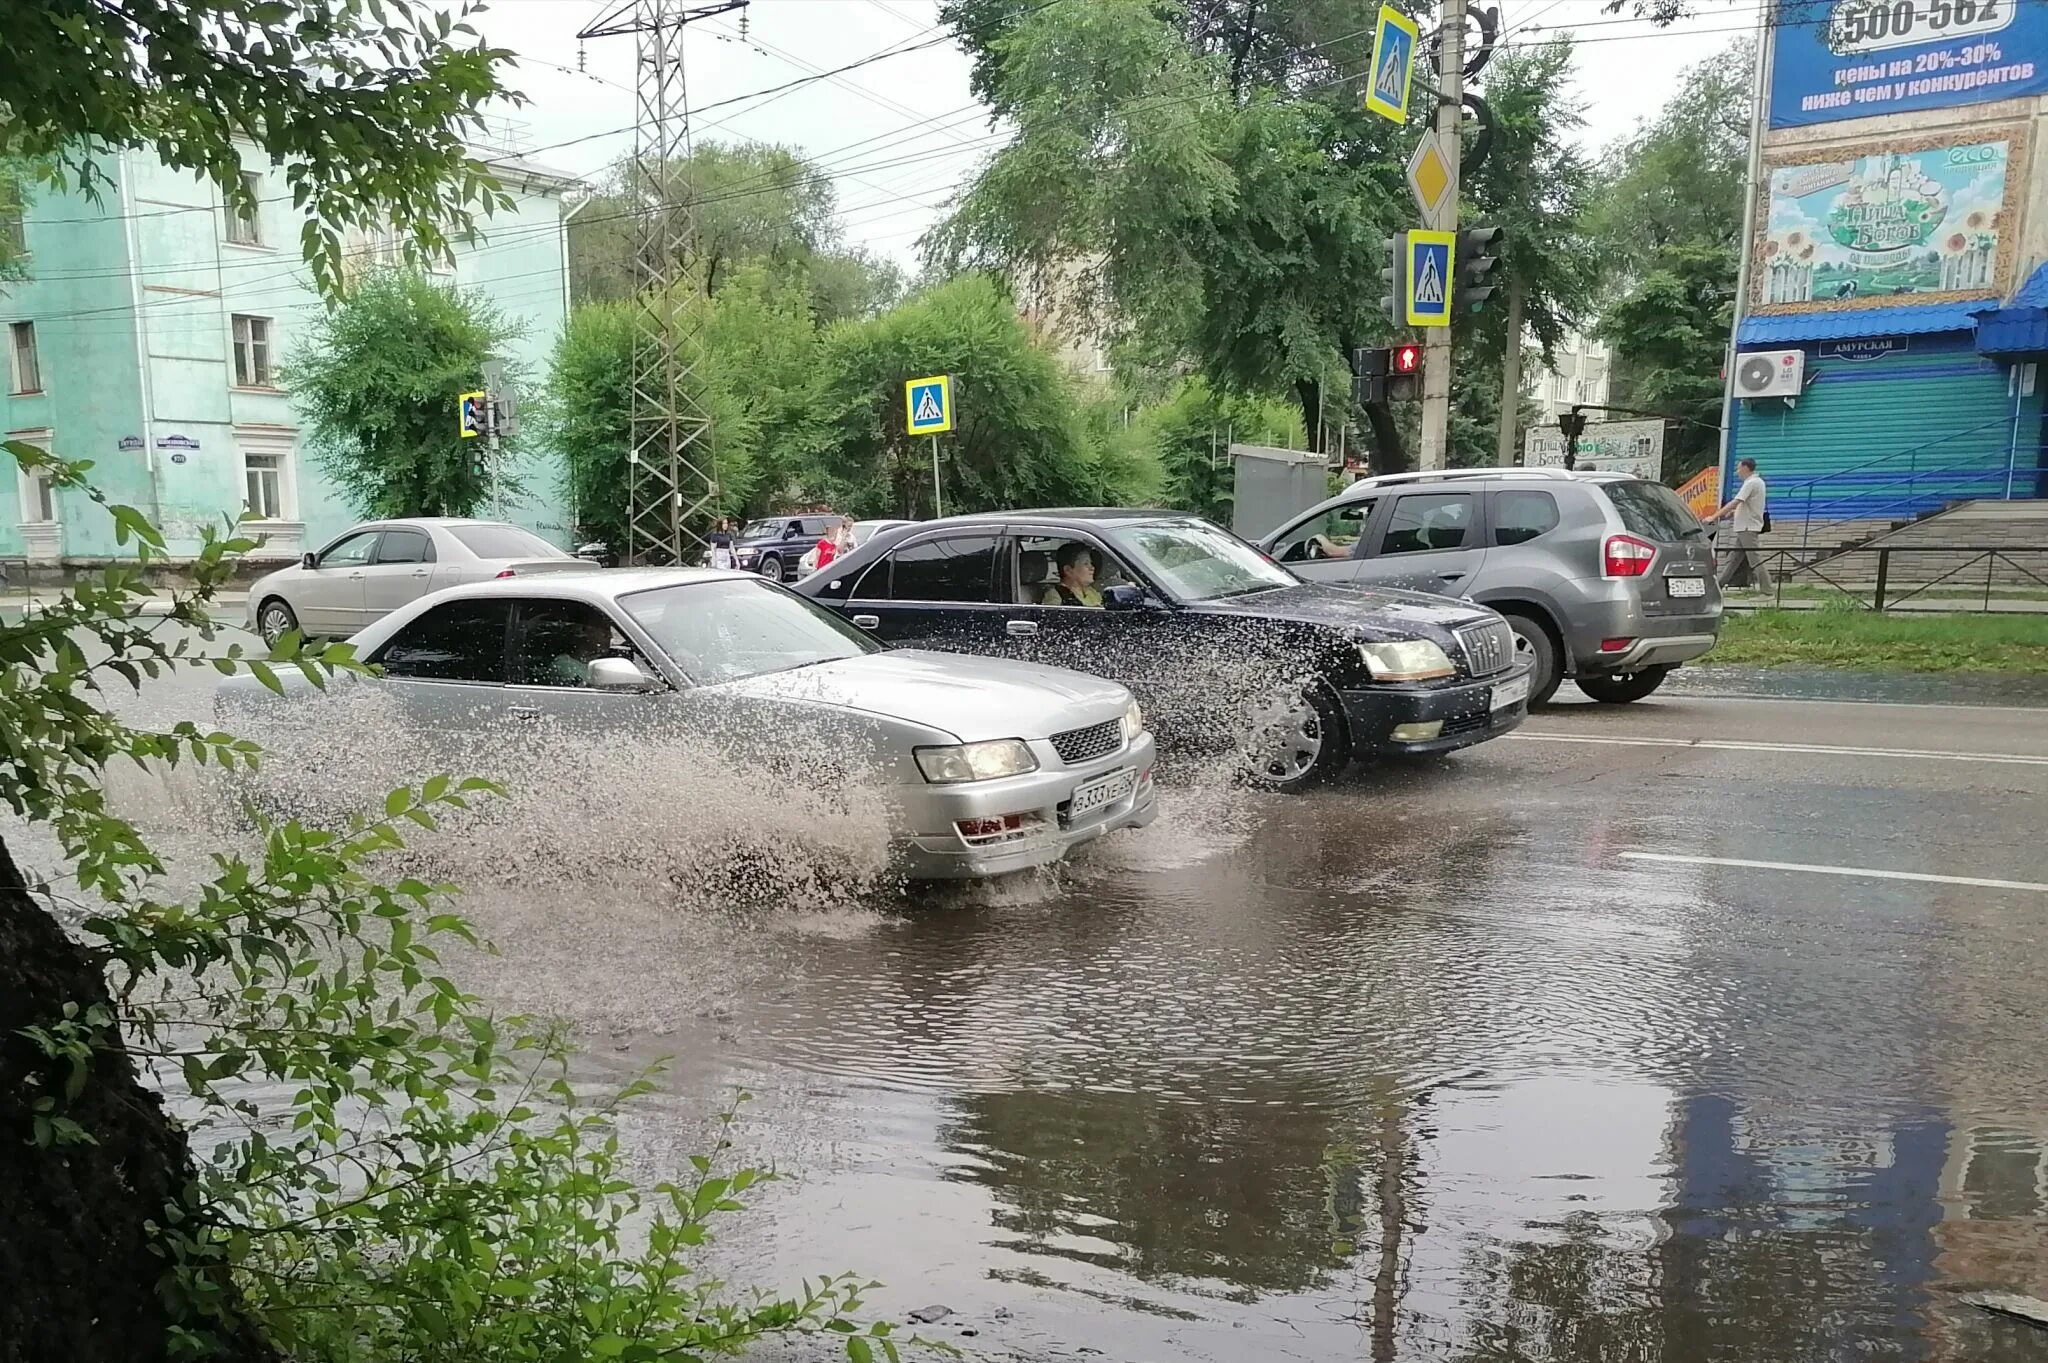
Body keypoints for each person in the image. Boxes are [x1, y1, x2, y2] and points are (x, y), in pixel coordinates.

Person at [1713, 457, 1774, 592]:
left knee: (1755, 560)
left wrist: (1715, 516)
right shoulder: (1756, 482)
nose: (1737, 471)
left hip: (1747, 527)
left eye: (1739, 468)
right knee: (1733, 560)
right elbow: (1748, 505)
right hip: (1744, 526)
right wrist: (1735, 512)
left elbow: (1736, 501)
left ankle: (1767, 590)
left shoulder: (1751, 483)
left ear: (1746, 468)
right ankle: (1718, 586)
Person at [1041, 541, 1103, 607]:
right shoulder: (1056, 596)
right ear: (1068, 570)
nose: (1092, 567)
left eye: (1091, 563)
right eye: (1086, 564)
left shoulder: (1091, 591)